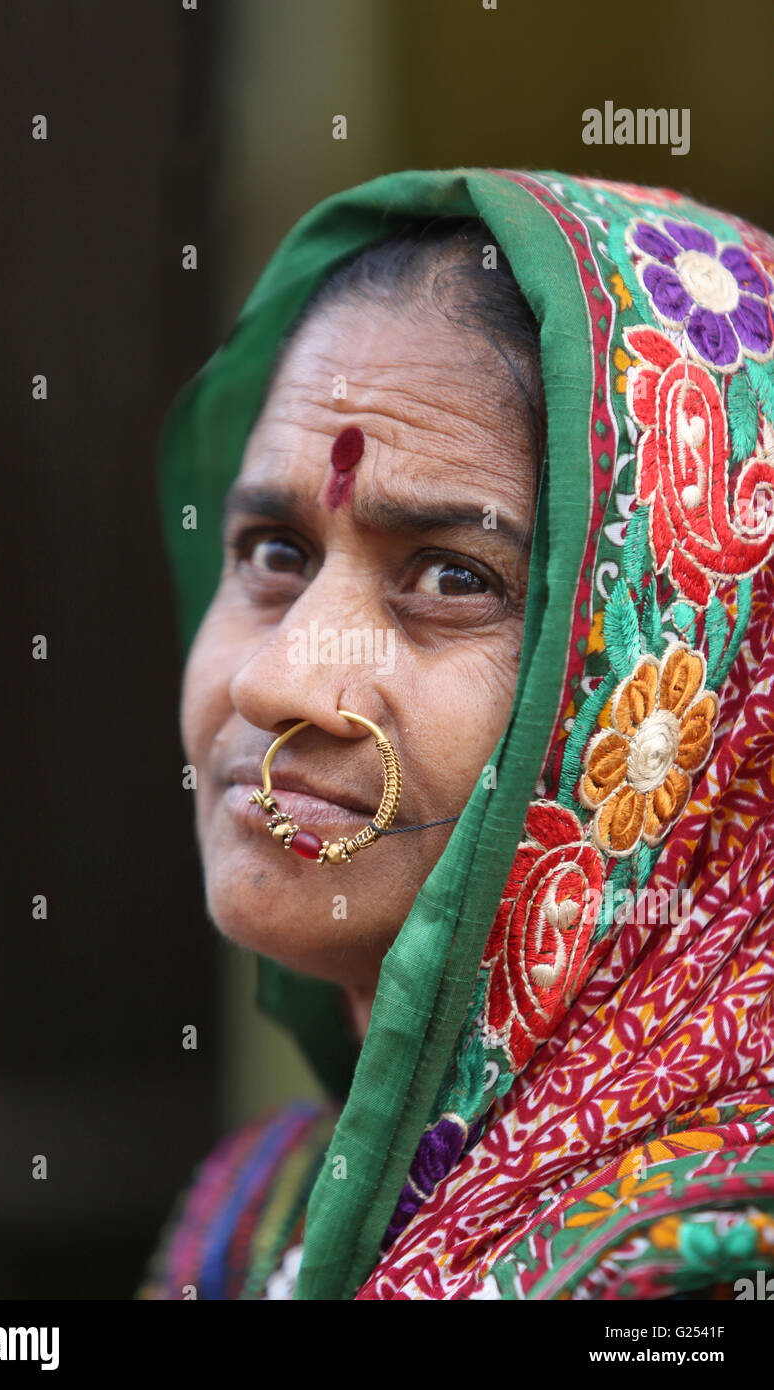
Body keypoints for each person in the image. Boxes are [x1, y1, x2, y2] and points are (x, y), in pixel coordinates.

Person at [136, 169, 774, 1300]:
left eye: (449, 576)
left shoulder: (703, 1275)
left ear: (688, 691)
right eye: (274, 555)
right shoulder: (255, 1220)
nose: (280, 680)